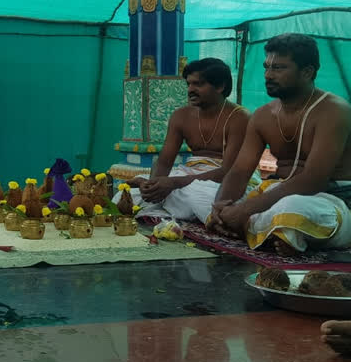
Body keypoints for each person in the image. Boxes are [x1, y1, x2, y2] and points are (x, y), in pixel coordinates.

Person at [208, 33, 351, 255]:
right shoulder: (263, 115)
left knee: (292, 208)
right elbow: (239, 171)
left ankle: (264, 228)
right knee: (203, 196)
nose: (268, 75)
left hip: (331, 200)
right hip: (279, 191)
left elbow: (313, 181)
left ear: (307, 72)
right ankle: (277, 233)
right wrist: (221, 207)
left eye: (279, 68)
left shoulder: (334, 111)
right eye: (267, 67)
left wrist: (243, 210)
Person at [114, 58, 252, 223]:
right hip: (189, 174)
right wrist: (154, 186)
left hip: (226, 181)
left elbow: (228, 172)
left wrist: (173, 183)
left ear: (220, 86)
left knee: (197, 197)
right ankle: (174, 208)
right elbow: (164, 161)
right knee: (126, 195)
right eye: (189, 84)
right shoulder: (181, 116)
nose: (191, 90)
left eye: (198, 84)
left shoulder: (239, 118)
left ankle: (192, 213)